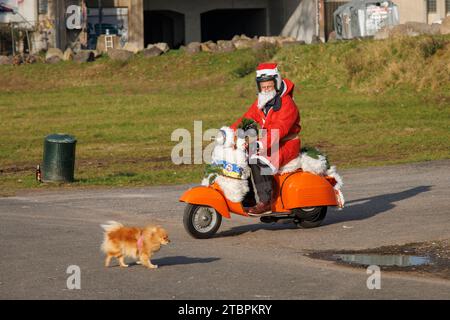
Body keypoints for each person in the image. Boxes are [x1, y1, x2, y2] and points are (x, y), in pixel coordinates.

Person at [230, 63, 301, 215]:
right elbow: (246, 119)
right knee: (241, 156)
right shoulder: (262, 102)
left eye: (269, 85)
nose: (266, 88)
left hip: (286, 144)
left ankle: (266, 201)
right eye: (263, 86)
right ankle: (247, 199)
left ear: (277, 82)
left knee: (256, 158)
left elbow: (279, 131)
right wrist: (230, 133)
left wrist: (259, 144)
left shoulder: (287, 104)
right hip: (270, 142)